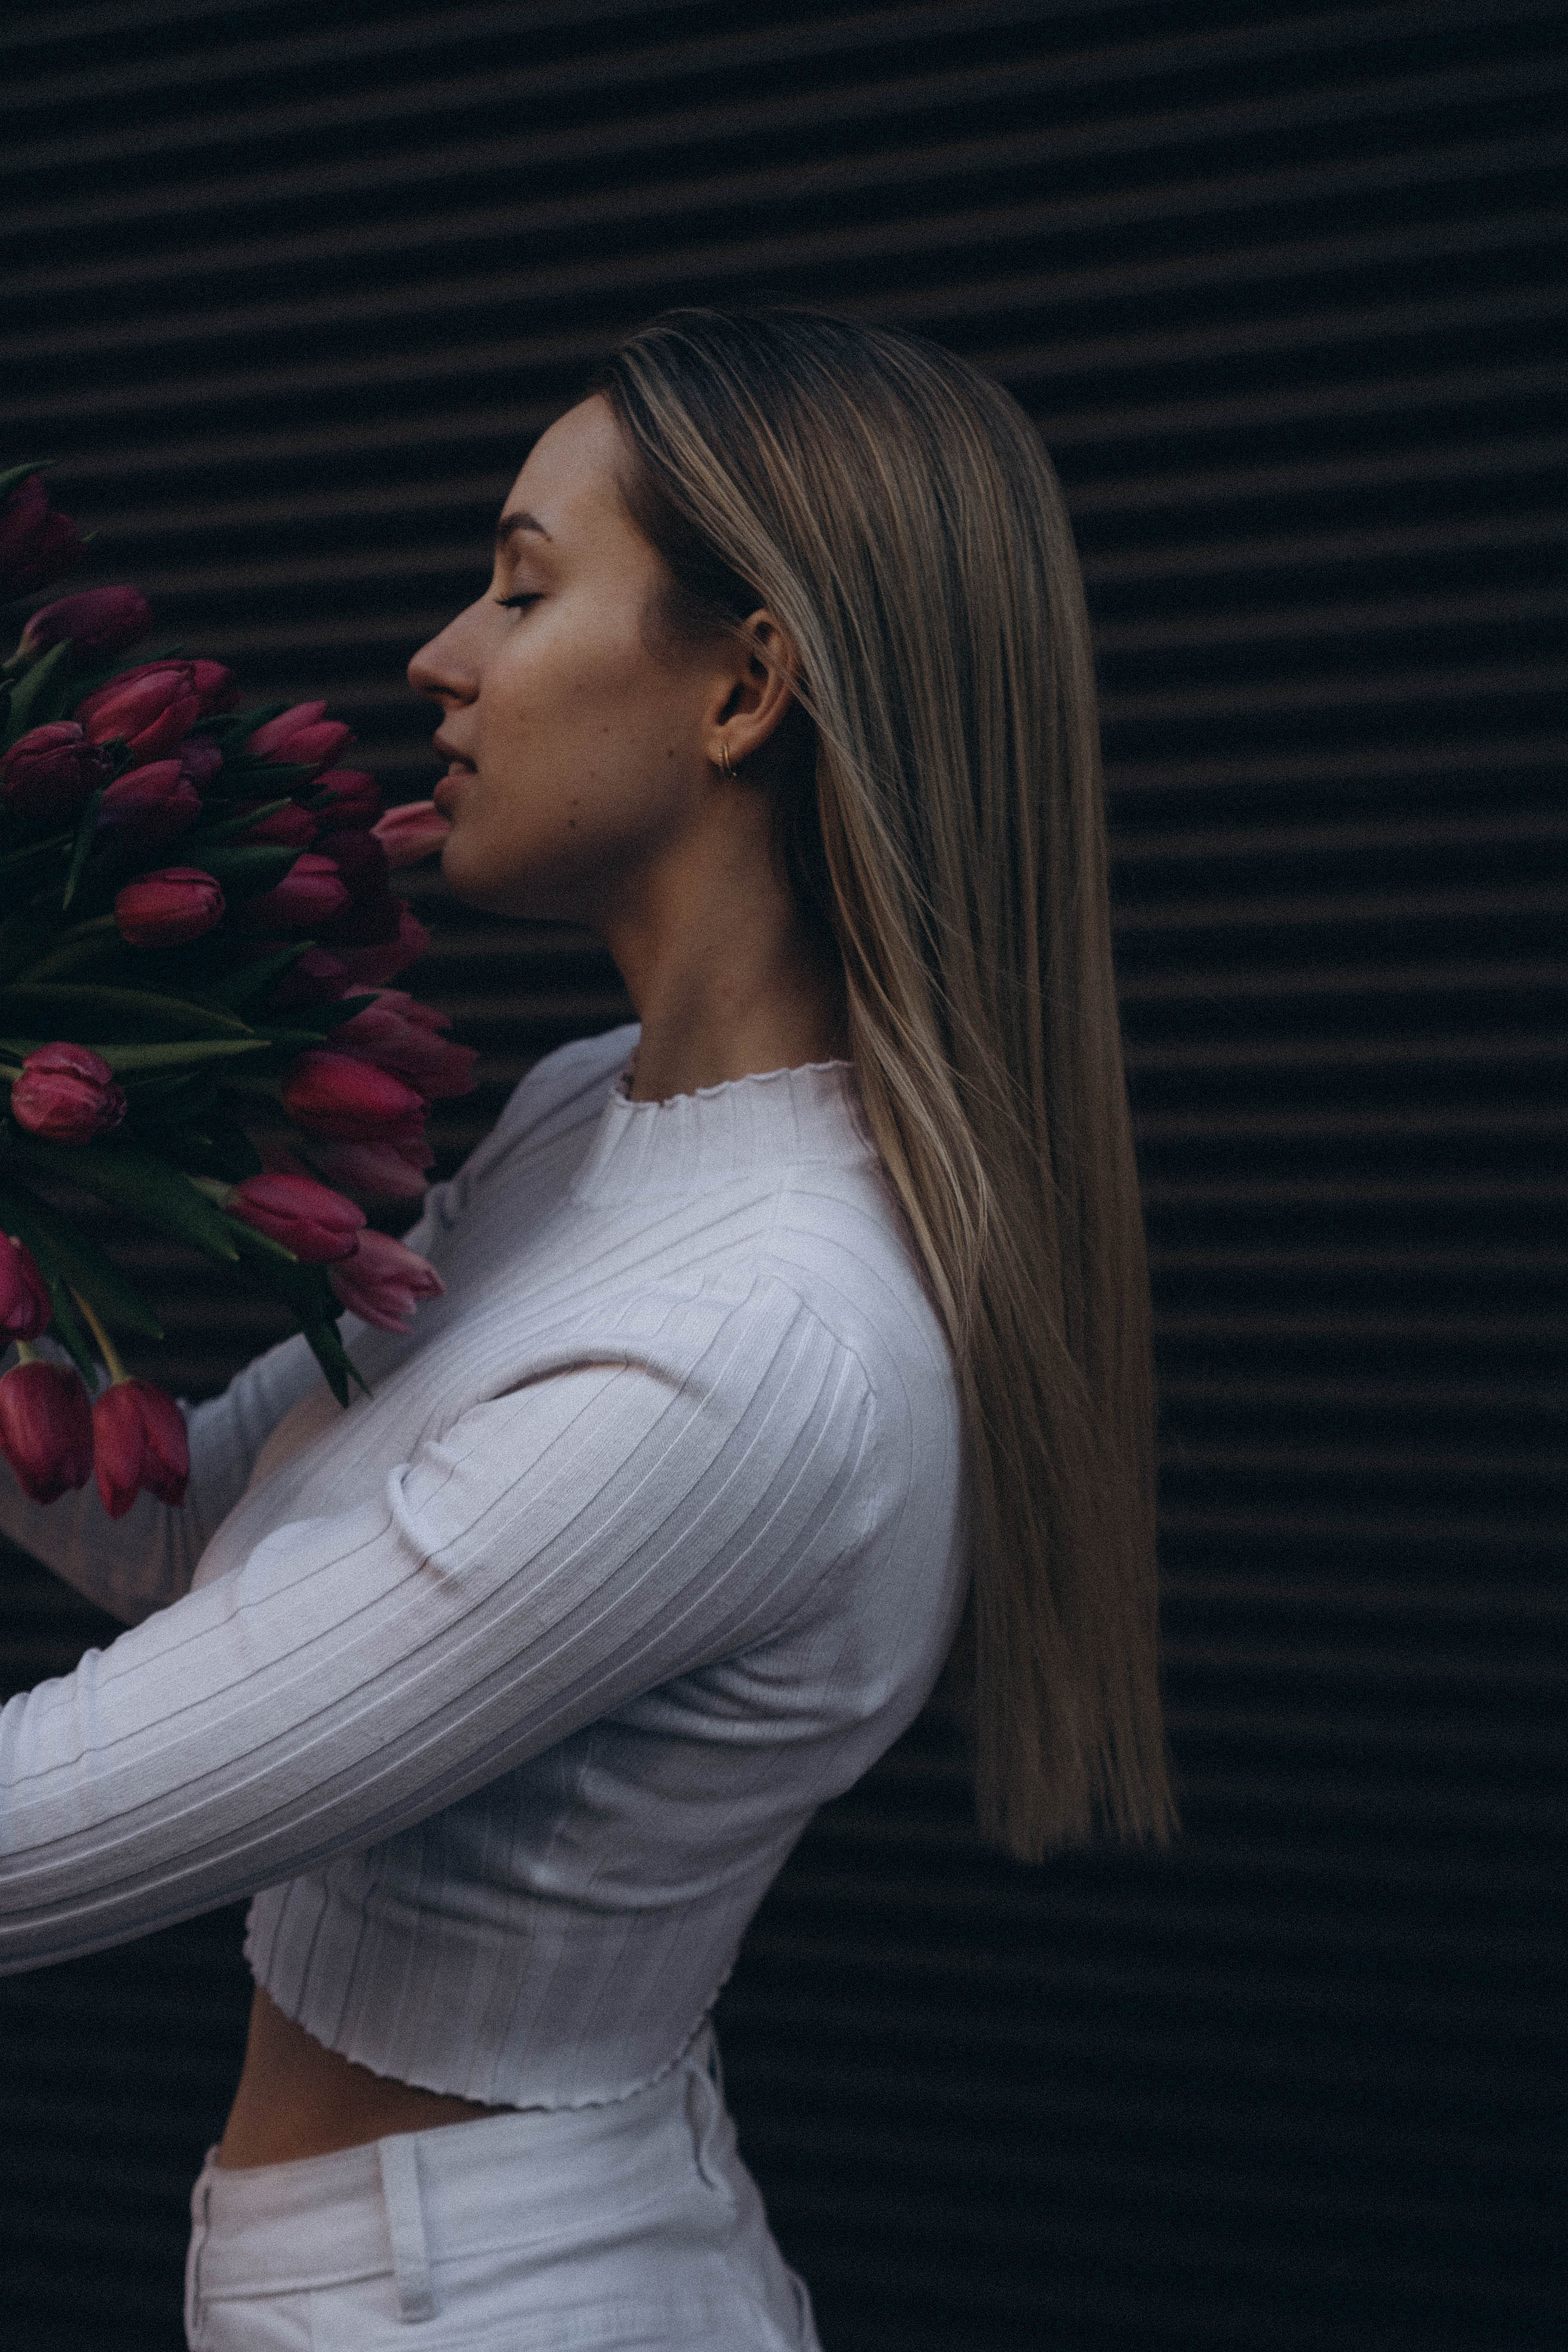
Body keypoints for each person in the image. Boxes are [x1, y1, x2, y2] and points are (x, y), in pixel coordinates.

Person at [0, 309, 1172, 2349]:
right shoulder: (586, 1117)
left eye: (527, 588)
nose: (442, 657)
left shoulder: (750, 1353)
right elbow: (192, 1526)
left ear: (746, 685)